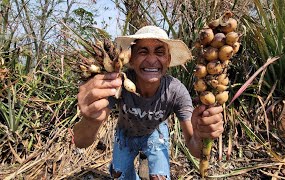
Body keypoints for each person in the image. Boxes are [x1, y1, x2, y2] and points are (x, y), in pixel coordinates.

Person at [73, 26, 224, 180]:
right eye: (143, 52)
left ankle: (146, 159)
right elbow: (80, 142)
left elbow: (196, 150)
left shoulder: (176, 91)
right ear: (131, 59)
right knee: (120, 176)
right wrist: (90, 119)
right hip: (125, 134)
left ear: (168, 59)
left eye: (159, 52)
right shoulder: (116, 84)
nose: (152, 60)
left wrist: (200, 135)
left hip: (155, 133)